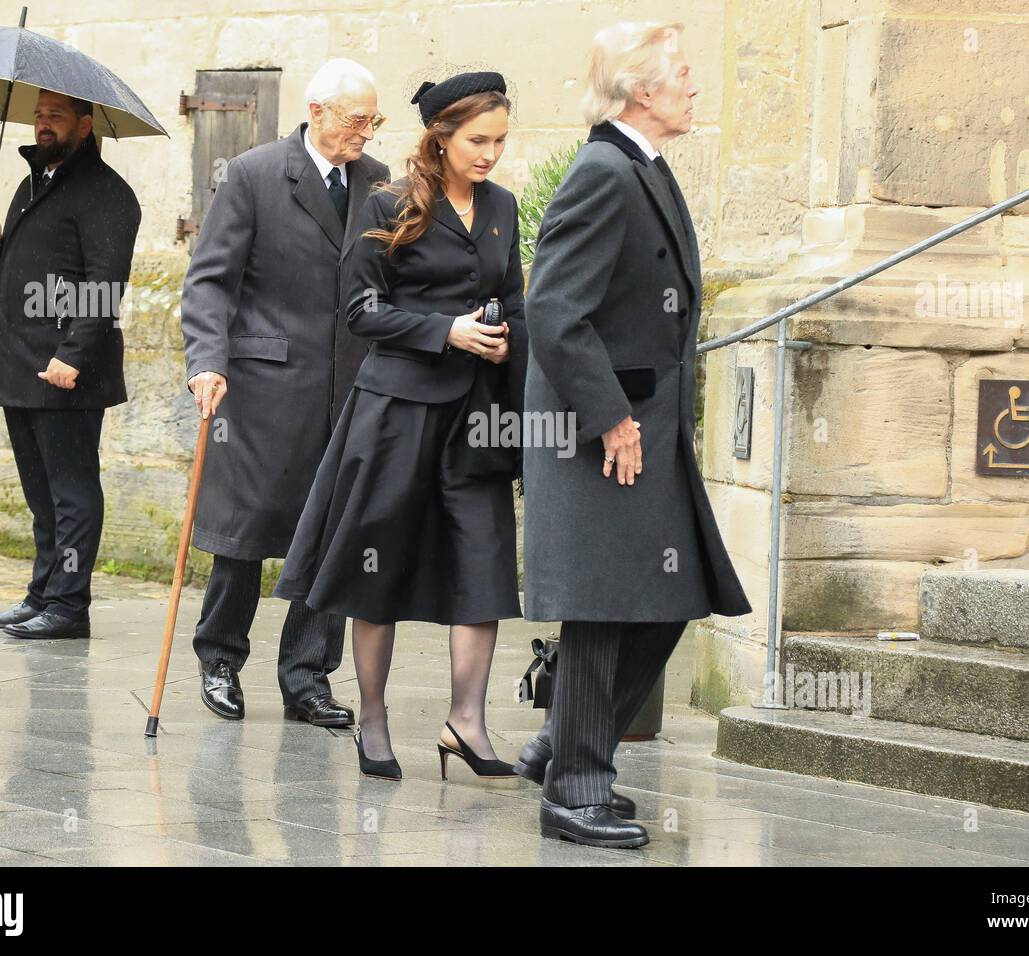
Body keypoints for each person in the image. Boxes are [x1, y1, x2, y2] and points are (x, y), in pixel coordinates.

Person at [519, 22, 752, 848]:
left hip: (644, 428)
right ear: (642, 92)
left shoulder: (640, 166)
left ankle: (564, 744)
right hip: (604, 433)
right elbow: (552, 310)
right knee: (604, 605)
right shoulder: (602, 173)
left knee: (667, 598)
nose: (695, 87)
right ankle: (574, 786)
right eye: (682, 75)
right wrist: (610, 417)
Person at [274, 72, 527, 782]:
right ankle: (375, 722)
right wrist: (443, 330)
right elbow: (359, 311)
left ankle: (466, 724)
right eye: (478, 140)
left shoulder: (503, 207)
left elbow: (511, 294)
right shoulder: (390, 203)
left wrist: (506, 336)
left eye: (501, 141)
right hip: (396, 413)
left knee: (484, 562)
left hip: (475, 417)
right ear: (440, 137)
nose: (491, 155)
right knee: (374, 564)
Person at [179, 59, 390, 726]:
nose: (365, 132)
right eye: (357, 119)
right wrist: (206, 361)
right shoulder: (253, 174)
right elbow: (210, 279)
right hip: (263, 386)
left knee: (330, 534)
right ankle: (219, 660)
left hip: (350, 385)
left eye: (372, 121)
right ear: (317, 110)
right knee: (244, 533)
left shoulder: (379, 181)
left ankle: (307, 679)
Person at [0, 89, 140, 640]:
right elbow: (32, 274)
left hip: (67, 371)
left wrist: (72, 354)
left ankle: (69, 607)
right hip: (21, 367)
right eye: (39, 116)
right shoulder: (32, 184)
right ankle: (42, 595)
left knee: (71, 493)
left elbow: (104, 283)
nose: (43, 126)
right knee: (42, 496)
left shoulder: (107, 194)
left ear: (85, 125)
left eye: (56, 117)